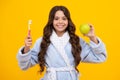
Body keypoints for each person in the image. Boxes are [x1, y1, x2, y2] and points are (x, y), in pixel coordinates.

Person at [17, 5, 107, 80]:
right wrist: (27, 48)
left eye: (64, 18)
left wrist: (92, 37)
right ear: (51, 21)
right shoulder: (43, 41)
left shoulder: (76, 41)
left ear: (68, 21)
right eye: (56, 19)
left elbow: (100, 57)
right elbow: (25, 65)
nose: (60, 22)